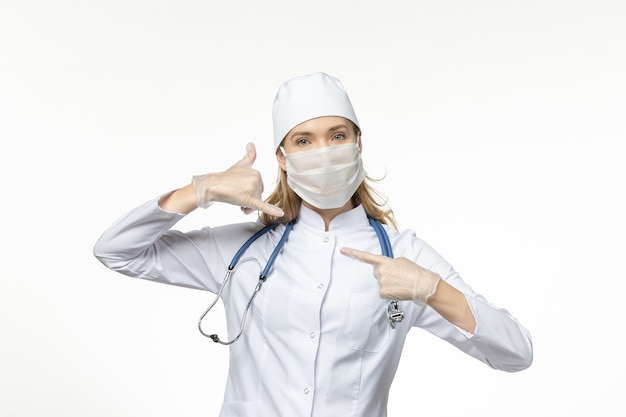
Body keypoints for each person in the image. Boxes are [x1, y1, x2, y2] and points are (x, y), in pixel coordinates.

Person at [93, 72, 533, 417]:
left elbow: (516, 354)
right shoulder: (243, 250)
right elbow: (116, 250)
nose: (323, 152)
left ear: (358, 144)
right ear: (282, 159)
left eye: (337, 136)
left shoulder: (405, 256)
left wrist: (434, 291)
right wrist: (201, 191)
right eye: (304, 141)